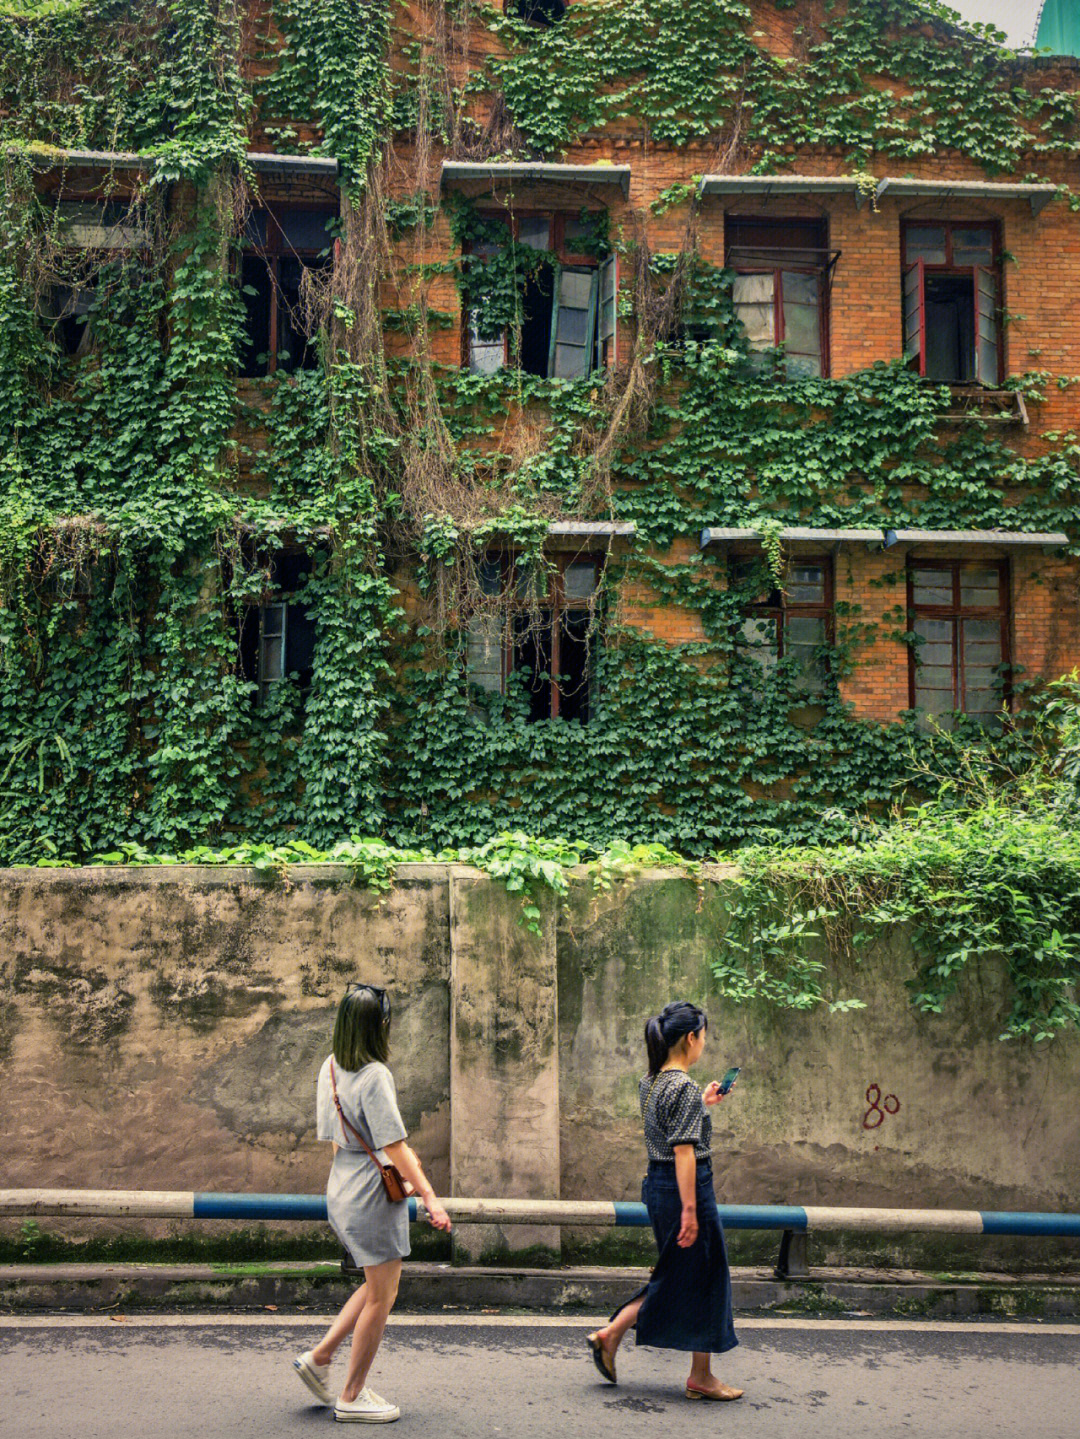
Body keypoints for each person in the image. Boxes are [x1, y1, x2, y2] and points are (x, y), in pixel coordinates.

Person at [293, 983, 452, 1423]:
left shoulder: (329, 1068)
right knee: (383, 1296)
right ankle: (352, 1394)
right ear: (381, 1026)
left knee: (372, 1286)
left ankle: (321, 1356)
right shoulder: (375, 1075)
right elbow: (395, 1147)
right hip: (371, 1195)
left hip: (340, 1189)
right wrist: (431, 1199)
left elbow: (334, 1139)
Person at [587, 1000, 742, 1402]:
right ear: (690, 1038)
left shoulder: (651, 1082)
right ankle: (615, 1334)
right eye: (703, 1036)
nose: (704, 1043)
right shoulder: (684, 1087)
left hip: (657, 1188)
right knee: (695, 1276)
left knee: (687, 1274)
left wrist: (704, 1106)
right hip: (684, 1190)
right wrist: (691, 1210)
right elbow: (684, 1153)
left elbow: (668, 1131)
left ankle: (697, 1371)